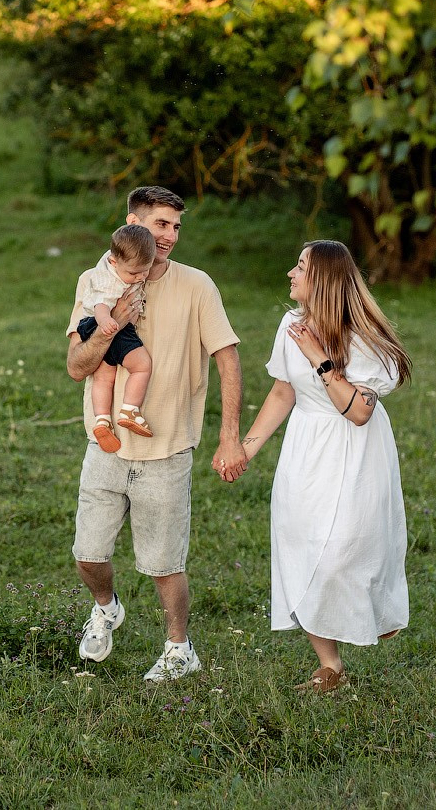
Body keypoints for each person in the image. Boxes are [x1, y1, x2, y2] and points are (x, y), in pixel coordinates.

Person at [65, 185, 248, 682]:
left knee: (165, 563)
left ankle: (178, 648)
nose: (170, 236)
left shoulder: (197, 285)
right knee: (87, 553)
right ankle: (106, 607)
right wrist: (108, 328)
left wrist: (229, 436)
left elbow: (227, 358)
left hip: (168, 448)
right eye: (160, 224)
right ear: (132, 223)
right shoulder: (96, 281)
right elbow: (76, 367)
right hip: (106, 444)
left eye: (176, 226)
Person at [238, 240, 412, 693]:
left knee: (343, 550)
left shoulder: (362, 338)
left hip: (355, 449)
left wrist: (320, 358)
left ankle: (373, 607)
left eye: (300, 267)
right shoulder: (291, 324)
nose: (290, 274)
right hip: (306, 447)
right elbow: (281, 393)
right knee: (302, 546)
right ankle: (329, 665)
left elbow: (357, 412)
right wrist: (245, 449)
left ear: (325, 281)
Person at [72, 224, 158, 452]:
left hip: (89, 327)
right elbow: (101, 303)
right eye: (134, 273)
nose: (140, 277)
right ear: (113, 262)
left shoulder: (116, 260)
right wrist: (107, 322)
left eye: (145, 271)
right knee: (142, 366)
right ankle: (130, 409)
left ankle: (102, 420)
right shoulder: (109, 281)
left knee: (103, 378)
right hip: (107, 324)